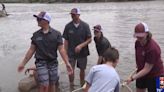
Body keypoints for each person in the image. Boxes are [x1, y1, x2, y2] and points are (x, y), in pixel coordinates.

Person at [17, 11, 73, 92]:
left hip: (53, 62)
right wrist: (23, 63)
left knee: (52, 83)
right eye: (37, 18)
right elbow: (31, 50)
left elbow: (61, 49)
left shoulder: (57, 34)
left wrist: (67, 63)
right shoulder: (36, 35)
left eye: (39, 19)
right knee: (44, 84)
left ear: (46, 21)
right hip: (41, 62)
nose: (37, 20)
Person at [126, 22, 164, 92]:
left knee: (161, 89)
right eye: (137, 36)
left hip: (158, 75)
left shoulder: (153, 48)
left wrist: (132, 78)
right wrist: (138, 66)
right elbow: (138, 57)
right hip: (141, 72)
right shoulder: (137, 43)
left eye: (141, 36)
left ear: (147, 33)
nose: (139, 38)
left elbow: (147, 69)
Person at [63, 8, 92, 87]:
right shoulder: (68, 26)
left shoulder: (85, 25)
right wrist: (65, 53)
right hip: (71, 53)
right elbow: (66, 41)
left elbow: (89, 39)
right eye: (71, 14)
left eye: (74, 14)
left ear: (79, 15)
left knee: (82, 69)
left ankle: (82, 84)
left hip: (83, 52)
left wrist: (81, 46)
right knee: (70, 69)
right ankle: (71, 85)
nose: (72, 16)